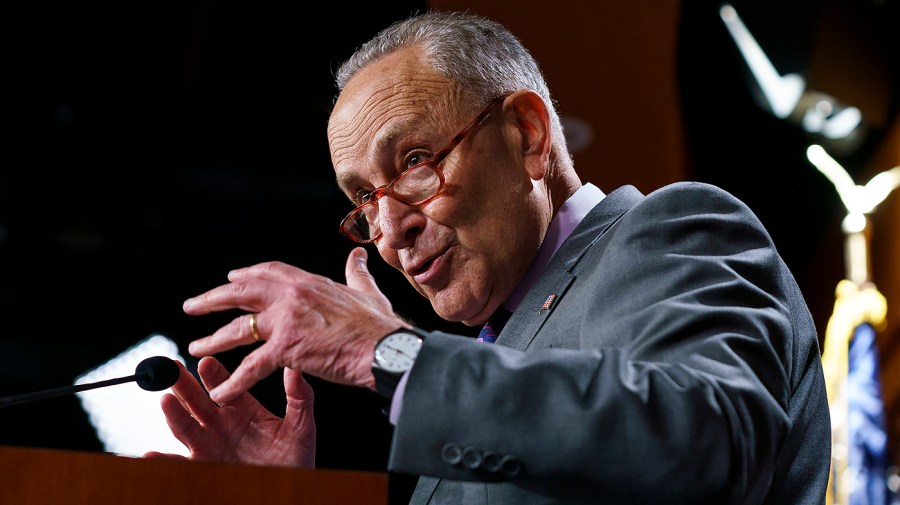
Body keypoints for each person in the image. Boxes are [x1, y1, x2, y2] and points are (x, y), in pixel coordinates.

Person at [144, 10, 831, 505]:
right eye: (362, 200)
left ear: (528, 136)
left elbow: (705, 449)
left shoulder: (673, 229)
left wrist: (387, 353)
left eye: (413, 160)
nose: (388, 232)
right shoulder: (471, 379)